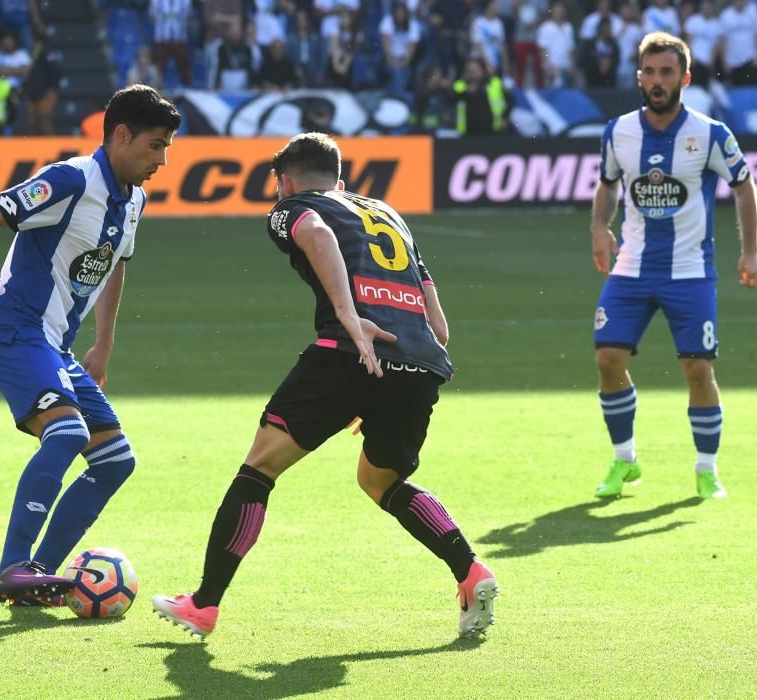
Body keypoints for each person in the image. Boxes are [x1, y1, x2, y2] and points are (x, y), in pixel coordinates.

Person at [152, 132, 498, 639]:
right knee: (381, 482)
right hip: (420, 363)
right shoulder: (388, 214)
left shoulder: (293, 206)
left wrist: (348, 315)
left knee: (260, 467)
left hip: (348, 352)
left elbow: (315, 231)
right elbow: (437, 325)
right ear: (340, 179)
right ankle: (471, 571)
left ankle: (204, 605)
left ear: (285, 180)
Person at [0, 84, 181, 606]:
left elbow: (113, 266)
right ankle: (12, 566)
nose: (162, 160)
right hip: (13, 330)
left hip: (55, 346)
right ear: (121, 135)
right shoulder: (70, 179)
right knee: (66, 433)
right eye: (155, 145)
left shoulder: (134, 199)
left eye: (167, 147)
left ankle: (38, 574)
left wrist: (103, 342)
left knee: (114, 460)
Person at [590, 32, 757, 501]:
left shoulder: (711, 134)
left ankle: (706, 468)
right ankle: (625, 461)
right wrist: (598, 228)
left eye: (667, 72)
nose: (657, 80)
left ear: (685, 78)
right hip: (631, 267)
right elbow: (607, 184)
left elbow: (744, 187)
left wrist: (750, 251)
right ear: (640, 77)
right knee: (608, 358)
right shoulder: (619, 131)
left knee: (697, 369)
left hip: (690, 271)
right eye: (649, 72)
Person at [452, 58, 510, 135]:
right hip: (468, 133)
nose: (472, 74)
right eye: (469, 71)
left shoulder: (494, 83)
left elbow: (510, 101)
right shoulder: (460, 85)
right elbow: (451, 100)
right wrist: (466, 92)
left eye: (475, 71)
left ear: (482, 71)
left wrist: (504, 117)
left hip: (493, 131)